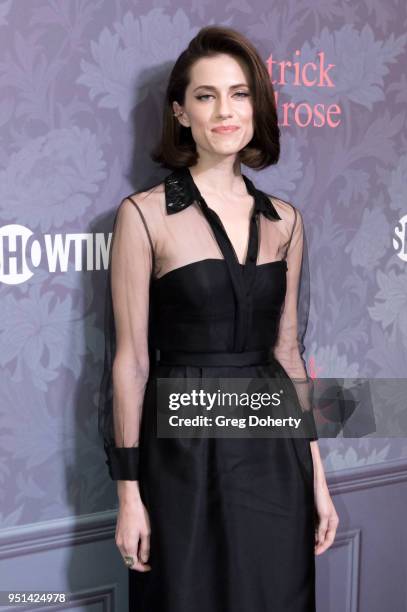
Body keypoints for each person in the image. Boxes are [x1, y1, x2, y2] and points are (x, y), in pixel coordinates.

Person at [98, 25, 339, 612]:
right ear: (181, 112)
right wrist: (129, 493)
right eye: (206, 96)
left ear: (256, 107)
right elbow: (129, 363)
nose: (225, 111)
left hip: (272, 457)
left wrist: (318, 478)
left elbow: (287, 356)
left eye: (239, 94)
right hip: (181, 457)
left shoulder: (287, 220)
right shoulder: (144, 216)